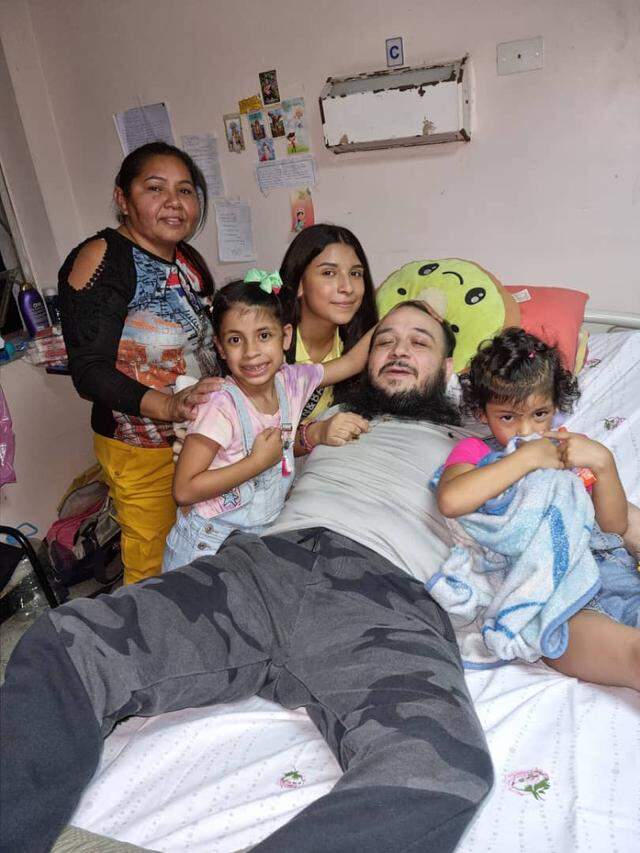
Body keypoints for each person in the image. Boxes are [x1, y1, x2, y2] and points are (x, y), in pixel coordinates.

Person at [0, 301, 493, 853]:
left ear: (449, 370)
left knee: (439, 773)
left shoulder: (483, 447)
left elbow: (551, 530)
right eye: (385, 340)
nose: (399, 349)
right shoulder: (324, 424)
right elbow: (259, 450)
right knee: (66, 644)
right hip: (265, 567)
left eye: (419, 341)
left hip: (384, 597)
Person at [436, 327, 640, 689]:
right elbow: (452, 500)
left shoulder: (573, 449)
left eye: (540, 413)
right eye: (507, 417)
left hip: (612, 572)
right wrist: (528, 458)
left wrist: (604, 464)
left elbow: (614, 526)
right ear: (482, 413)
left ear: (556, 407)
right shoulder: (478, 454)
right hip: (552, 600)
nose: (525, 429)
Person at [58, 142, 221, 584]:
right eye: (155, 188)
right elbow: (89, 370)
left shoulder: (186, 259)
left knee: (202, 540)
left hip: (199, 433)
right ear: (122, 198)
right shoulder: (102, 257)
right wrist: (167, 406)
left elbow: (205, 338)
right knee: (153, 560)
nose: (174, 201)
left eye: (185, 190)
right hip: (140, 444)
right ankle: (144, 645)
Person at [163, 271, 371, 570]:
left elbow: (351, 362)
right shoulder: (220, 406)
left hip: (256, 536)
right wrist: (256, 463)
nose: (251, 353)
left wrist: (396, 319)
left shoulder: (293, 381)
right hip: (206, 545)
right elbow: (184, 490)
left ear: (285, 337)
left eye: (264, 336)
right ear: (221, 348)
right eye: (236, 340)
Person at [279, 223, 378, 422]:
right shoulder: (270, 343)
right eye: (328, 273)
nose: (347, 287)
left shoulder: (356, 341)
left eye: (356, 273)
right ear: (299, 284)